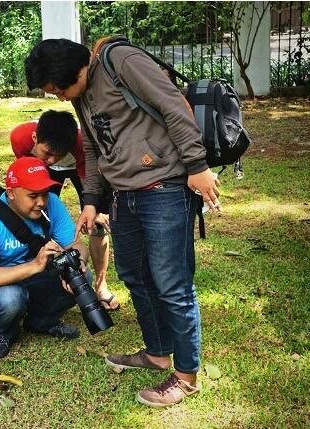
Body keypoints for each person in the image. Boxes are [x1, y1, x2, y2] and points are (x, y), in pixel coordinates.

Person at [25, 37, 221, 407]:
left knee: (172, 283)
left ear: (76, 70)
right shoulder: (81, 95)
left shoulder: (122, 61)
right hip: (124, 195)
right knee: (133, 274)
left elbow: (172, 105)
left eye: (59, 89)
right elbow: (93, 149)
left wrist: (196, 165)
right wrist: (90, 200)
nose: (61, 98)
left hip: (164, 186)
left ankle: (187, 376)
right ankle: (158, 352)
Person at [0, 157, 89, 358]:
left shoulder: (51, 204)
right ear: (11, 193)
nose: (41, 202)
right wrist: (35, 265)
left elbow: (77, 245)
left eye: (45, 194)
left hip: (31, 279)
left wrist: (77, 262)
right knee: (10, 297)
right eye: (33, 196)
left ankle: (41, 321)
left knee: (81, 277)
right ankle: (4, 332)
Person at [10, 110, 120, 311]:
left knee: (96, 224)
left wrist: (92, 208)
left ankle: (101, 285)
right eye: (47, 153)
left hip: (82, 166)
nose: (52, 159)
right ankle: (39, 270)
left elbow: (91, 186)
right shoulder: (20, 138)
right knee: (36, 214)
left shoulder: (80, 143)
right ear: (35, 138)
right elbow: (25, 180)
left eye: (57, 155)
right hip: (43, 172)